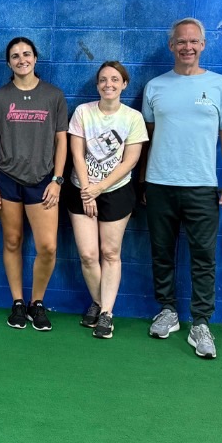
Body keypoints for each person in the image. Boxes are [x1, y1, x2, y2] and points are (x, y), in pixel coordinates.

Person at [141, 18, 222, 359]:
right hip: (159, 184)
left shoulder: (220, 85)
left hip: (202, 187)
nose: (187, 47)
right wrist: (142, 180)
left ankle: (200, 323)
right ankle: (167, 310)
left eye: (193, 41)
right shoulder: (154, 87)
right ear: (172, 46)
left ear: (203, 45)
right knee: (161, 252)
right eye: (181, 41)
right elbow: (146, 136)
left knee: (203, 257)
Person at [0, 37, 68, 332]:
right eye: (16, 56)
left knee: (48, 246)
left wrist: (57, 180)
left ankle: (37, 303)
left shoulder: (54, 96)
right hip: (6, 179)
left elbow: (61, 141)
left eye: (27, 54)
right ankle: (18, 302)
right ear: (8, 63)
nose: (22, 60)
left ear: (35, 58)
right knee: (12, 241)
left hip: (43, 180)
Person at [64, 61, 148, 339]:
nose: (108, 84)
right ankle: (99, 303)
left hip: (116, 192)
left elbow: (131, 161)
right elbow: (77, 154)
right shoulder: (83, 112)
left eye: (114, 79)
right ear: (97, 84)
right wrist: (88, 190)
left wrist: (99, 189)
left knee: (110, 253)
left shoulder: (133, 118)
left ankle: (106, 314)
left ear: (124, 84)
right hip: (81, 190)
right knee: (88, 255)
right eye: (103, 80)